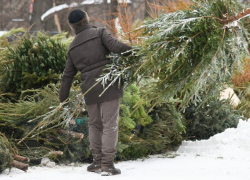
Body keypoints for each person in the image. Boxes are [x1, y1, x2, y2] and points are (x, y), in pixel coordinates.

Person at [59, 9, 131, 176]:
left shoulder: (73, 47)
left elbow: (67, 76)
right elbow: (117, 47)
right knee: (110, 124)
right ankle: (107, 164)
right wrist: (135, 52)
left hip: (90, 89)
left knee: (95, 124)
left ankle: (97, 161)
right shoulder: (99, 33)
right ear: (87, 19)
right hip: (108, 85)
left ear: (71, 26)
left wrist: (62, 98)